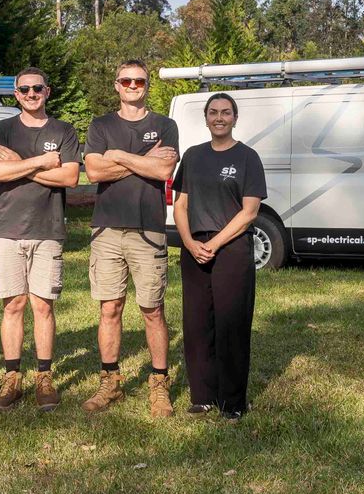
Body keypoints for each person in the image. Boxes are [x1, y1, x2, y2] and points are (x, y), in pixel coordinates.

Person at [82, 60, 180, 416]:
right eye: (126, 80)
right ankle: (110, 382)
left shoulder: (165, 125)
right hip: (107, 228)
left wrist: (119, 156)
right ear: (116, 85)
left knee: (152, 309)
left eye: (139, 81)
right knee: (110, 308)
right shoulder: (101, 125)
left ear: (147, 86)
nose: (133, 86)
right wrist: (143, 160)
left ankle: (159, 383)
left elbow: (164, 169)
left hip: (148, 229)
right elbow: (93, 170)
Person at [0, 66, 80, 413]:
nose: (31, 94)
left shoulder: (64, 131)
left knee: (43, 305)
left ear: (47, 91)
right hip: (9, 230)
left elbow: (69, 177)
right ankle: (12, 378)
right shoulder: (2, 129)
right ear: (16, 94)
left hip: (48, 228)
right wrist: (40, 162)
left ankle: (43, 376)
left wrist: (19, 166)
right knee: (13, 306)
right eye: (24, 89)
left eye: (37, 88)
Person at [172, 92, 267, 421]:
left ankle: (233, 402)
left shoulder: (247, 157)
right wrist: (188, 241)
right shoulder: (194, 156)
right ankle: (202, 396)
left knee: (232, 324)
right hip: (194, 247)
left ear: (235, 118)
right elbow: (180, 204)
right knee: (197, 324)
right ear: (206, 118)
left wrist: (216, 244)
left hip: (232, 249)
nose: (219, 117)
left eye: (226, 112)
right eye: (213, 112)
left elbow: (250, 212)